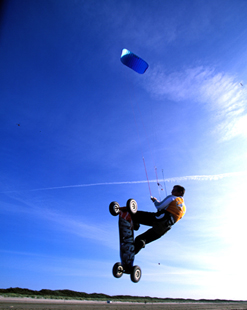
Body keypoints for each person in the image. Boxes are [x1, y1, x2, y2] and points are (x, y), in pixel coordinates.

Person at [132, 185, 186, 254]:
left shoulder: (173, 198)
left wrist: (155, 200)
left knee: (134, 214)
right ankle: (131, 255)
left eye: (174, 190)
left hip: (159, 219)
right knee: (140, 240)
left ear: (180, 192)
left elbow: (159, 206)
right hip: (164, 229)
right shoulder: (184, 207)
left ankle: (135, 225)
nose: (171, 191)